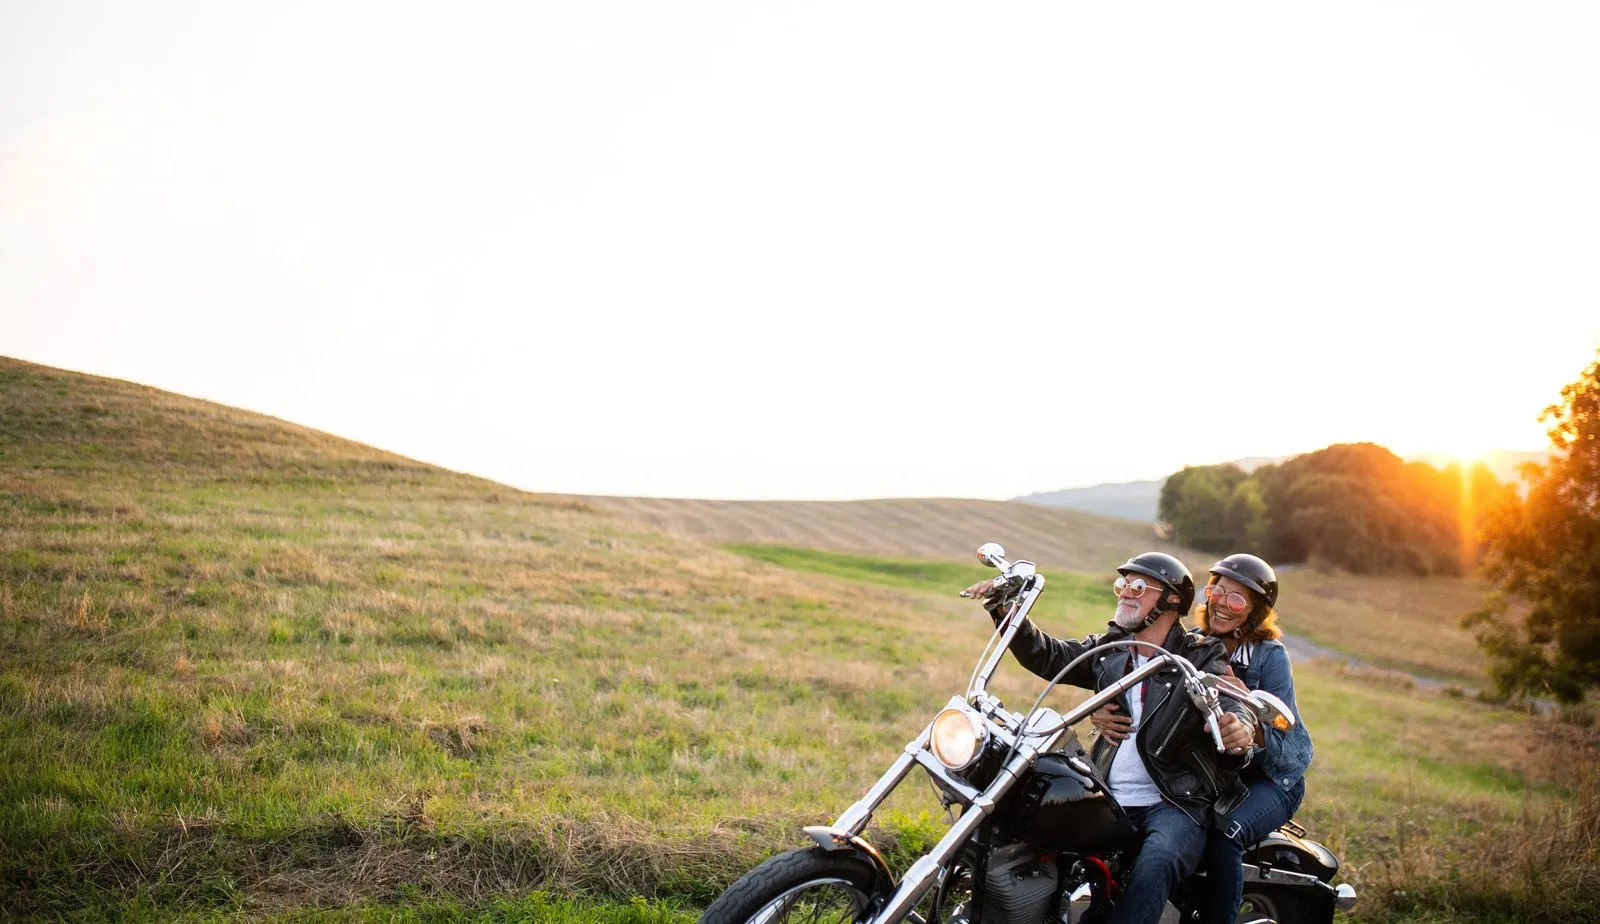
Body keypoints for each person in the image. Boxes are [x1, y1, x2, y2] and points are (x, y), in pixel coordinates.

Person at [963, 552, 1258, 924]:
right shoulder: (1112, 650)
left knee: (1158, 860)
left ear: (1170, 602)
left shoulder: (1199, 654)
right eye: (1122, 585)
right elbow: (1050, 657)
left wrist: (1239, 728)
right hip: (1106, 795)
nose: (1124, 594)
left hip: (1175, 803)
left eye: (1137, 587)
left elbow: (1230, 699)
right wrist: (1006, 609)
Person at [1090, 553, 1312, 924]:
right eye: (1217, 590)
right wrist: (1102, 707)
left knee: (1226, 834)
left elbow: (1282, 734)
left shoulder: (1268, 656)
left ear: (1256, 611)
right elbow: (1147, 692)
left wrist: (1246, 711)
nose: (1222, 603)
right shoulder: (1194, 645)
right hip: (1221, 777)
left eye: (1237, 598)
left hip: (1272, 777)